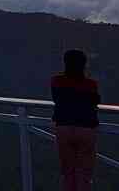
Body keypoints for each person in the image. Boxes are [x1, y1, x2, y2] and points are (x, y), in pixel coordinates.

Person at [51, 49, 101, 191]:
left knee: (68, 174)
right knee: (84, 175)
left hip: (64, 127)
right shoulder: (91, 84)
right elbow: (95, 101)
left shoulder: (56, 81)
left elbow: (56, 99)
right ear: (84, 64)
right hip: (86, 128)